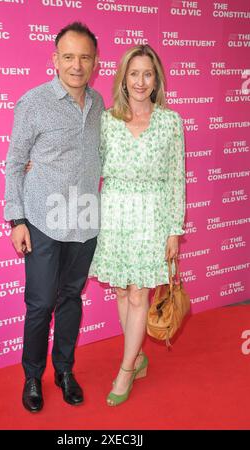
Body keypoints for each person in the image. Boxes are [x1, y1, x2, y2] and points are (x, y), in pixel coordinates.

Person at [4, 22, 104, 412]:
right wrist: (17, 221)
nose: (76, 65)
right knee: (41, 303)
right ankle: (32, 376)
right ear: (55, 60)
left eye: (84, 57)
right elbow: (14, 163)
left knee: (71, 300)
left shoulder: (99, 106)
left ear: (95, 62)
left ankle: (64, 370)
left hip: (84, 222)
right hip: (43, 221)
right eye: (68, 56)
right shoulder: (33, 102)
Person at [88, 44, 186, 406]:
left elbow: (177, 179)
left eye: (148, 74)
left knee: (138, 293)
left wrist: (174, 229)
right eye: (134, 74)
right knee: (119, 291)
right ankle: (138, 356)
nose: (141, 81)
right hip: (114, 215)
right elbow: (90, 166)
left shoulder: (170, 122)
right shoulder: (107, 121)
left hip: (152, 217)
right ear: (124, 79)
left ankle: (126, 369)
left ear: (156, 79)